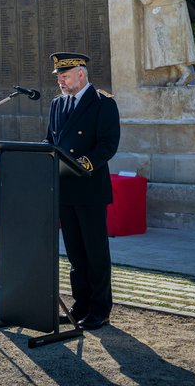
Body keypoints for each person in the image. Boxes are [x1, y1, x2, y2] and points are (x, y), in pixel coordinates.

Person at [45, 51, 121, 331]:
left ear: (80, 74)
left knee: (95, 252)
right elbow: (50, 140)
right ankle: (80, 305)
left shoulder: (102, 103)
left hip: (89, 188)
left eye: (64, 76)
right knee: (76, 254)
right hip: (65, 189)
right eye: (59, 78)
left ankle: (100, 309)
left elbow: (108, 144)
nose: (61, 82)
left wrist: (83, 164)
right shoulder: (57, 105)